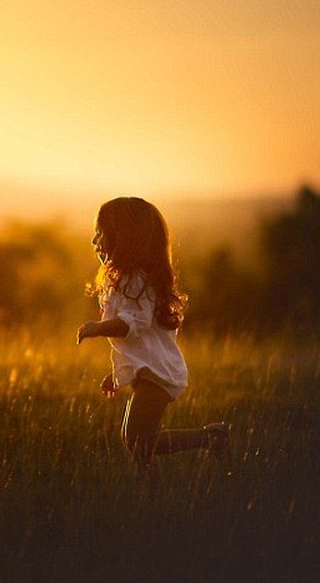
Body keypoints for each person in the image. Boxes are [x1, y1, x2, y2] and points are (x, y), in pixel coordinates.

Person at [75, 196, 229, 482]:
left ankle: (210, 436)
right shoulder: (123, 279)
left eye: (101, 232)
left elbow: (135, 324)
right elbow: (135, 343)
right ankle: (152, 491)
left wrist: (98, 328)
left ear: (124, 236)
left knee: (138, 440)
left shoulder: (137, 279)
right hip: (148, 371)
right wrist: (117, 375)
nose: (94, 240)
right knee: (134, 441)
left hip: (158, 372)